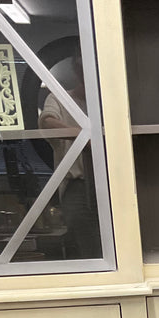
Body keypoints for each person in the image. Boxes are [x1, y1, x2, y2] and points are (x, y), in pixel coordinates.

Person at [38, 51, 101, 258]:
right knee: (87, 243)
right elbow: (47, 122)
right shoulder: (59, 98)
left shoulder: (107, 103)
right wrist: (84, 138)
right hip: (78, 185)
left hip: (110, 183)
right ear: (77, 71)